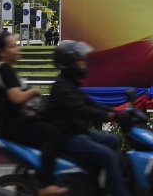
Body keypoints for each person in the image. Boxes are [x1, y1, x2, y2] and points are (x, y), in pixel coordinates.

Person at [0, 31, 67, 196]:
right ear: (2, 52)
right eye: (12, 46)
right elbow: (16, 97)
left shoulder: (0, 67)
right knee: (53, 134)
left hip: (6, 123)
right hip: (11, 124)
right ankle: (46, 184)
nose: (17, 49)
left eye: (17, 45)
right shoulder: (4, 68)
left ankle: (32, 178)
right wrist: (34, 92)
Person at [46, 41, 131, 196]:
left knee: (114, 141)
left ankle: (105, 183)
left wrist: (117, 112)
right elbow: (80, 110)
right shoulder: (60, 87)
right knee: (108, 156)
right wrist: (109, 115)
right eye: (79, 62)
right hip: (68, 137)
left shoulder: (71, 84)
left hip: (80, 132)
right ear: (68, 64)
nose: (83, 65)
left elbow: (90, 102)